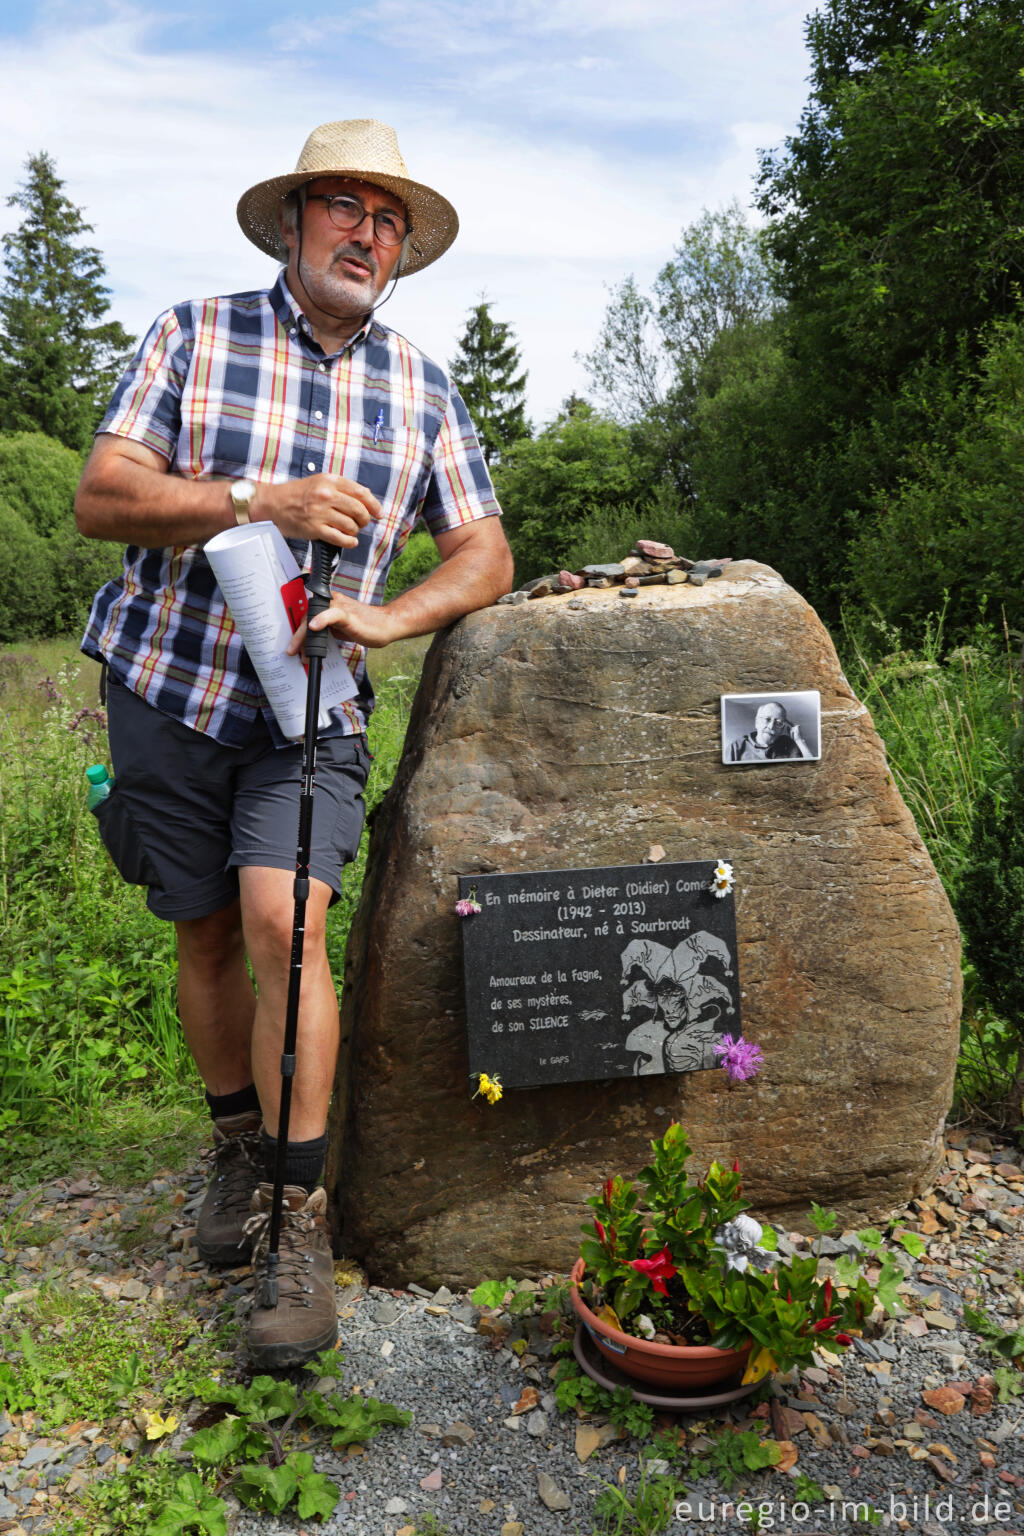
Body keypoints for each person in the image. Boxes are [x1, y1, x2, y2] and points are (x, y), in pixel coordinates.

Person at [75, 119, 513, 1367]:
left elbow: (485, 549)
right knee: (207, 928)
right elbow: (101, 496)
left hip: (309, 713)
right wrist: (253, 498)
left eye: (389, 221)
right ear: (292, 221)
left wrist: (395, 611)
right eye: (345, 208)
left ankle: (295, 1220)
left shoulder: (421, 385)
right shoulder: (195, 334)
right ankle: (233, 1147)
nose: (367, 235)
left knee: (289, 923)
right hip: (168, 689)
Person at [727, 701, 813, 763]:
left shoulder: (789, 745)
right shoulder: (737, 747)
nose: (771, 726)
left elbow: (811, 770)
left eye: (778, 723)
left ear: (783, 729)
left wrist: (799, 741)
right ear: (757, 722)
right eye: (767, 720)